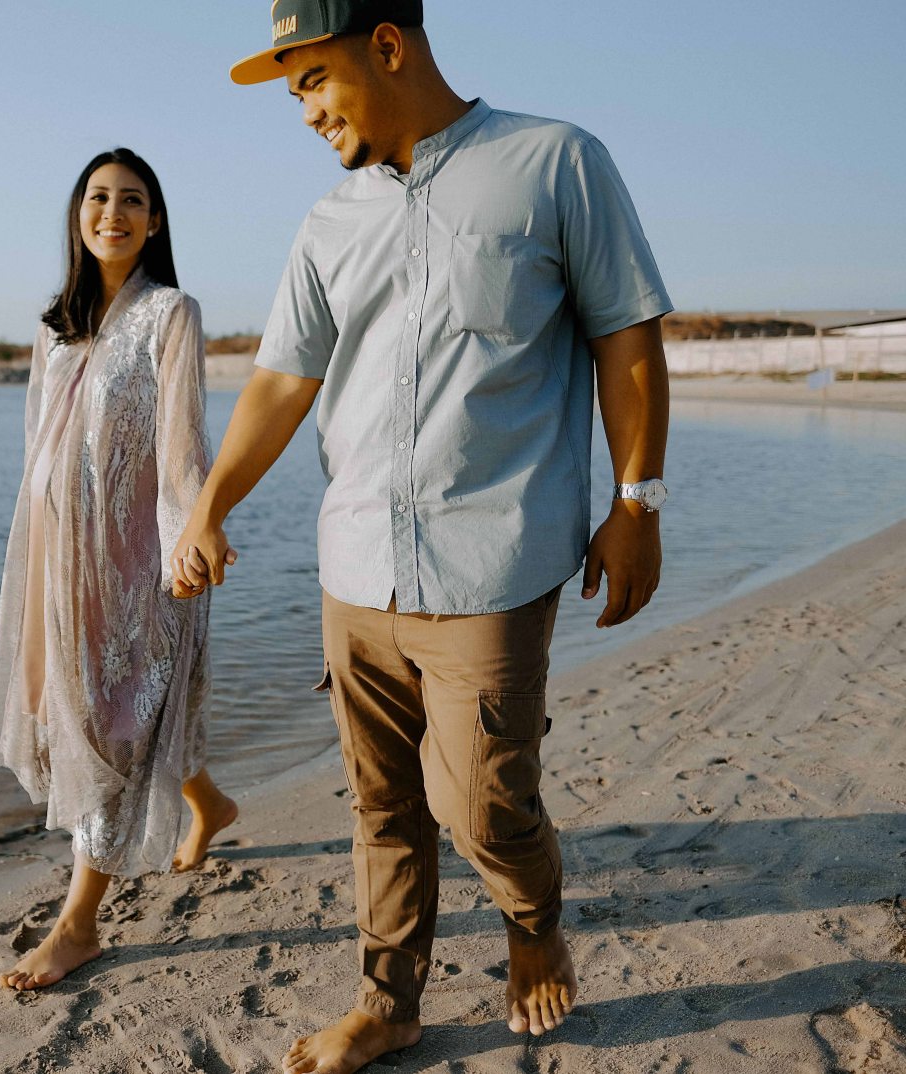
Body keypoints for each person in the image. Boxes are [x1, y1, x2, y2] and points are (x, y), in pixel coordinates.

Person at [173, 4, 673, 1072]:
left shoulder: (553, 163)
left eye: (311, 81)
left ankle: (533, 930)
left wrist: (637, 505)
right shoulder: (327, 223)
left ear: (386, 46)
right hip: (353, 569)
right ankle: (388, 1002)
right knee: (382, 809)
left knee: (484, 807)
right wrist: (208, 506)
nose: (302, 111)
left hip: (493, 568)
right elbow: (278, 382)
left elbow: (626, 334)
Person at [0, 148, 241, 992]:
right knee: (105, 715)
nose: (113, 213)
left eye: (133, 200)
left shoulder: (171, 313)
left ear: (155, 221)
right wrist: (34, 562)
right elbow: (38, 450)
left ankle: (78, 925)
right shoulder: (55, 329)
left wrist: (191, 533)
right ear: (77, 214)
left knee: (113, 727)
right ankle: (207, 802)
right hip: (60, 564)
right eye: (98, 198)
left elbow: (180, 448)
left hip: (139, 565)